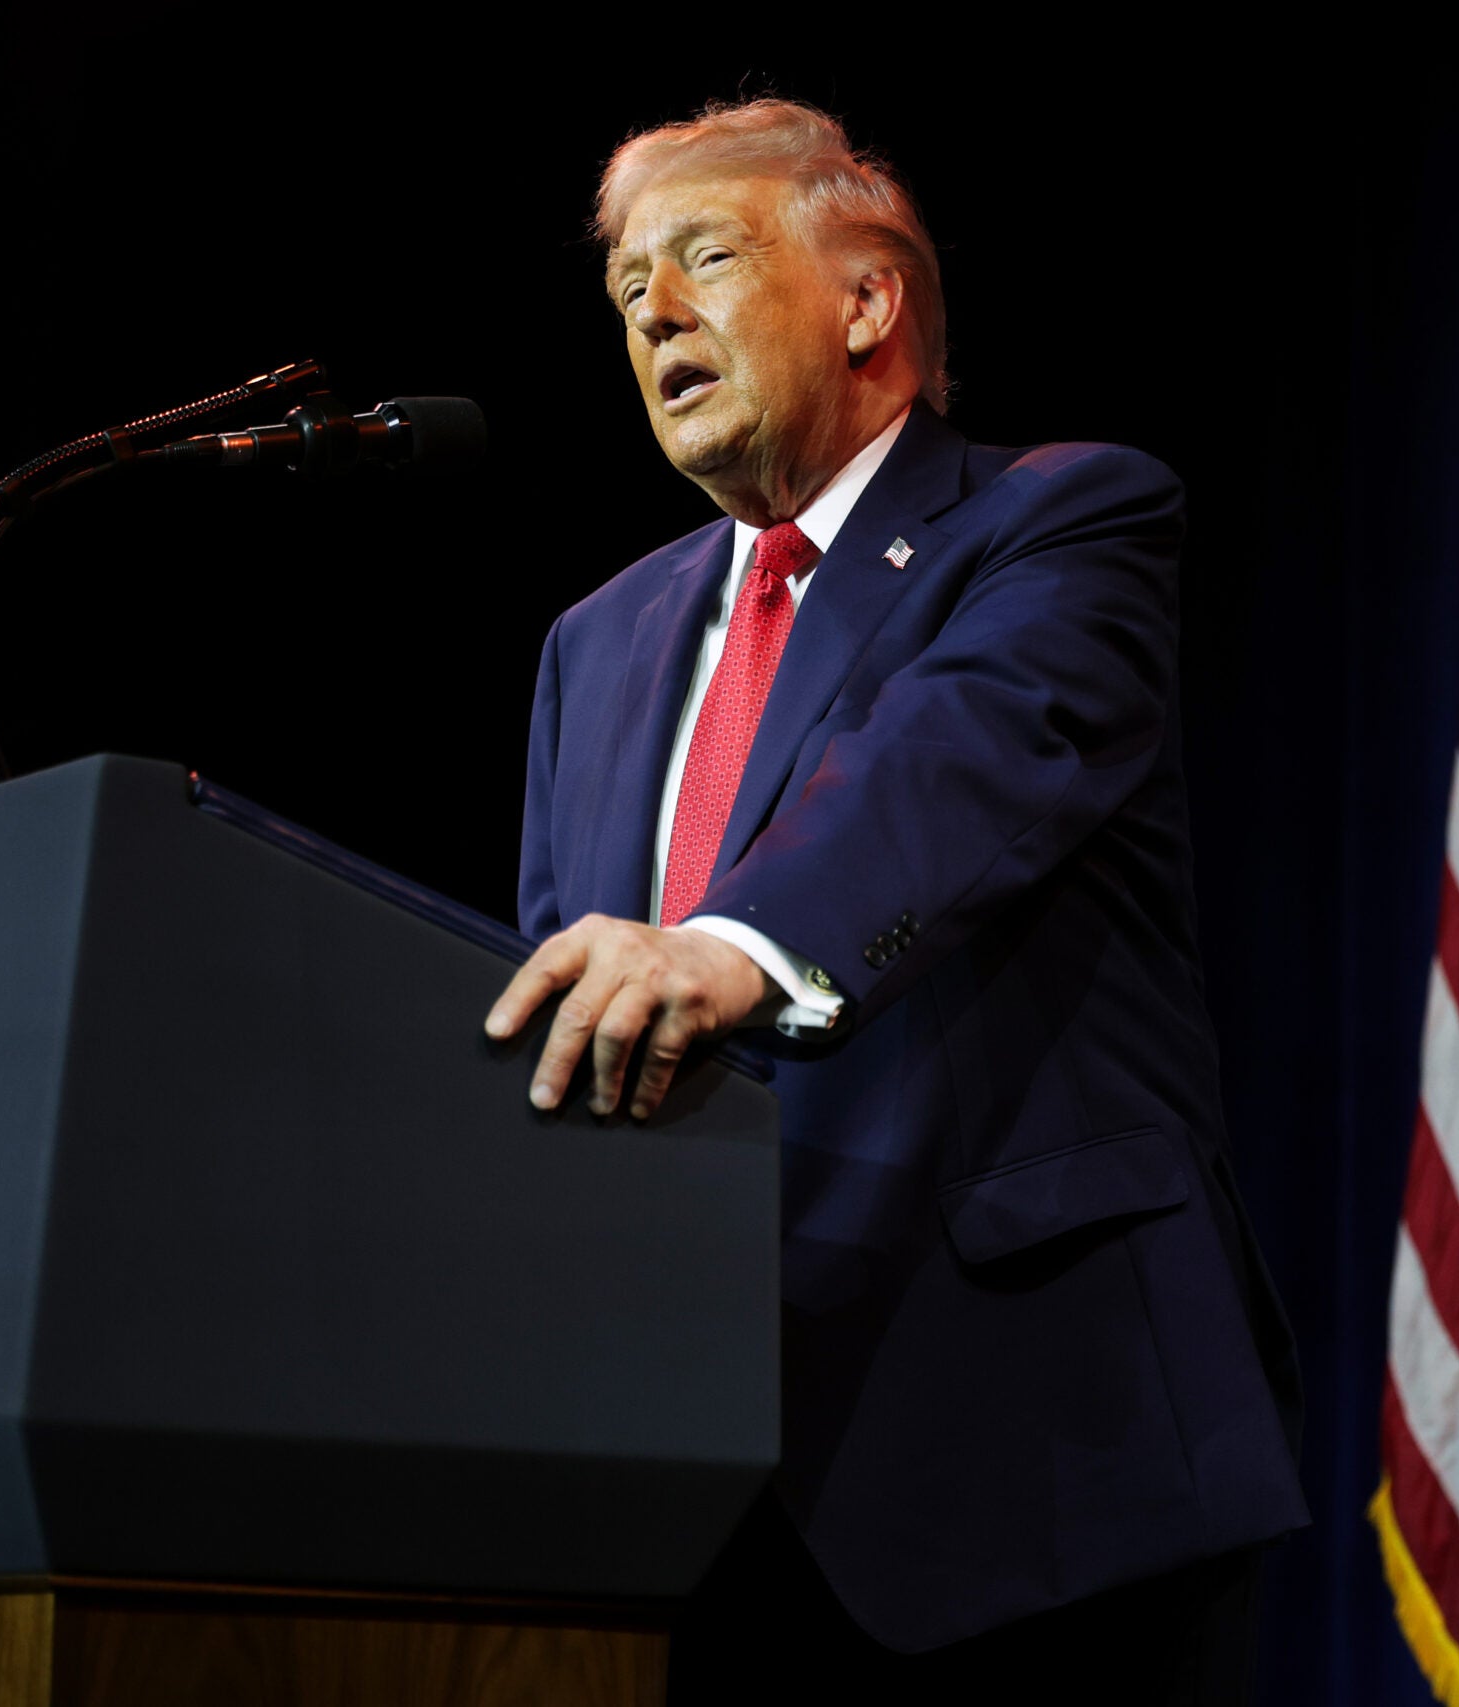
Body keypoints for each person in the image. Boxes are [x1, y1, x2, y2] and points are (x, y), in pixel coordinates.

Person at [484, 98, 1307, 1703]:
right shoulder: (596, 644)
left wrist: (727, 949)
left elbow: (956, 769)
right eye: (626, 289)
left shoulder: (1060, 521)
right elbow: (561, 982)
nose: (652, 312)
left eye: (705, 258)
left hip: (1028, 1462)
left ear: (867, 303)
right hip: (679, 1504)